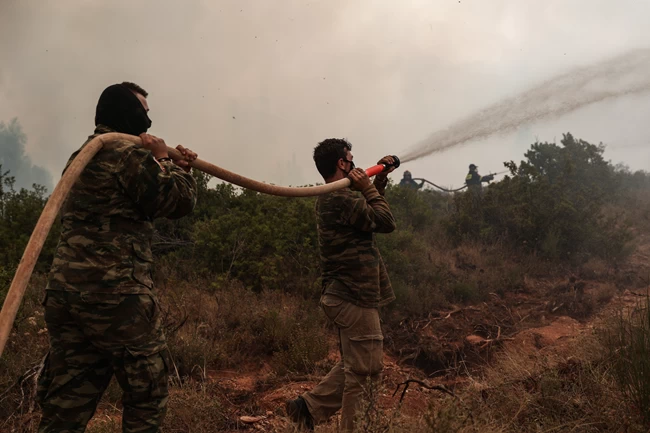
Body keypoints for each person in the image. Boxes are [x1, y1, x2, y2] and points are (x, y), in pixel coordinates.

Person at [37, 82, 198, 433]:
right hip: (116, 297)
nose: (149, 120)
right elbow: (177, 202)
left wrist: (165, 162)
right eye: (144, 110)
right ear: (127, 111)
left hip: (65, 294)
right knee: (148, 394)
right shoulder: (129, 154)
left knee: (67, 400)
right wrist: (171, 163)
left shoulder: (82, 153)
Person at [285, 138, 396, 432]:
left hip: (345, 296)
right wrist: (369, 188)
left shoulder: (340, 196)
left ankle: (307, 409)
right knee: (366, 373)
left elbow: (368, 215)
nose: (355, 162)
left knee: (355, 366)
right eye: (350, 157)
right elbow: (385, 221)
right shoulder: (340, 198)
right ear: (341, 163)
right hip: (354, 296)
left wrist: (379, 180)